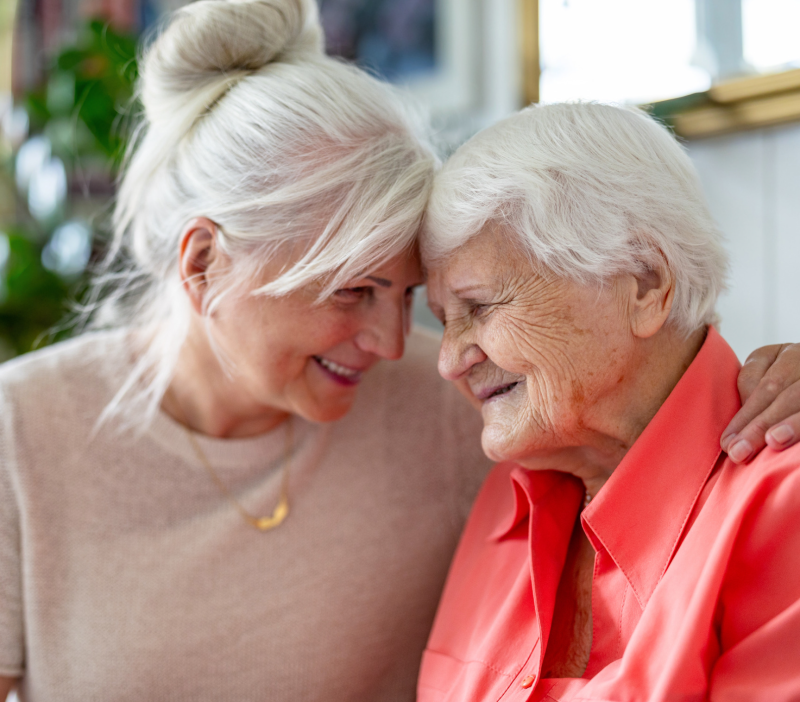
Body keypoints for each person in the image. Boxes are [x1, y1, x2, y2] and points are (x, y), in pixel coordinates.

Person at [0, 3, 798, 700]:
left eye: (410, 297)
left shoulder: (468, 418)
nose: (398, 345)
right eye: (351, 290)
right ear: (203, 262)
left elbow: (659, 386)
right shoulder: (21, 434)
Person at [417, 102, 800, 702]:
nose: (449, 359)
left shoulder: (784, 505)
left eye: (482, 307)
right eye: (443, 321)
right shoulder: (504, 495)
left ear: (644, 282)